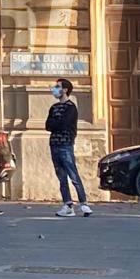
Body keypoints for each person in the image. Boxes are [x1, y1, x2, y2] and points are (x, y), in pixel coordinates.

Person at [45, 78, 90, 217]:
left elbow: (64, 124)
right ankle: (68, 205)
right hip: (54, 144)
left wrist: (56, 123)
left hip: (66, 144)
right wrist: (56, 123)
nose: (54, 89)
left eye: (57, 86)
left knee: (73, 175)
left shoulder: (71, 107)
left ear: (65, 90)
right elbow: (48, 125)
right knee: (61, 177)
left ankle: (84, 204)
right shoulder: (53, 107)